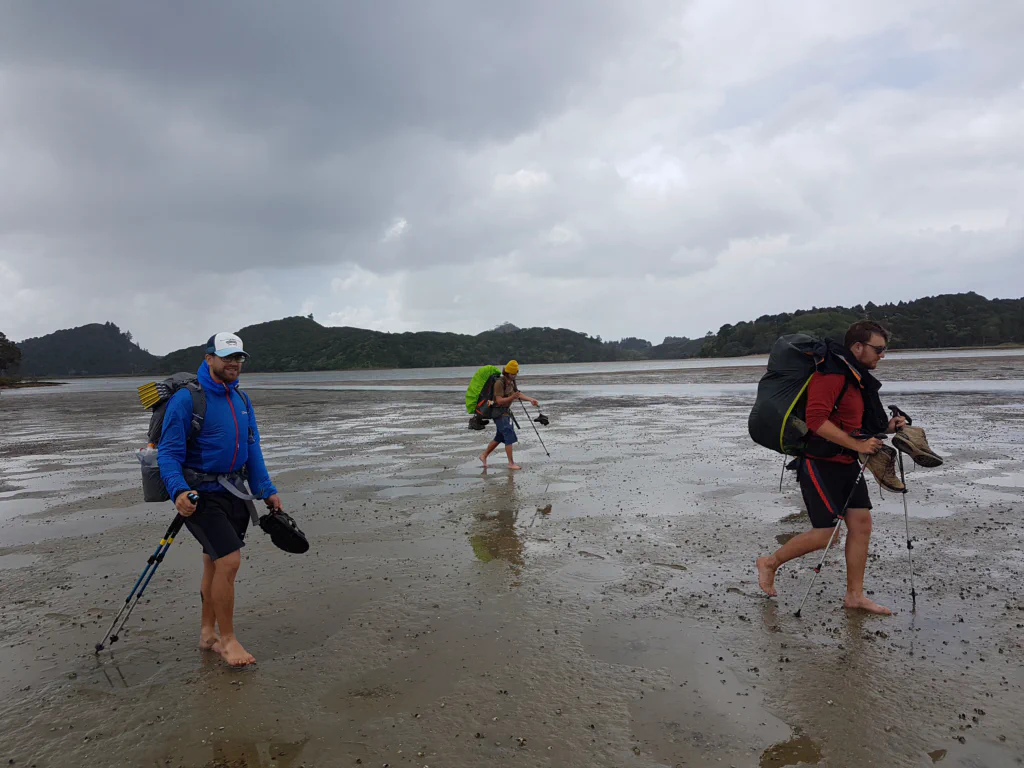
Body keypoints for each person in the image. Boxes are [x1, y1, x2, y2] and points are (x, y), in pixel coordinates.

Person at [756, 321, 907, 615]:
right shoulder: (831, 375)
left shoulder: (856, 378)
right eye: (878, 349)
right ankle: (769, 562)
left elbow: (855, 424)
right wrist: (859, 446)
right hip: (819, 463)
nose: (882, 355)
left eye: (885, 350)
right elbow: (815, 421)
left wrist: (888, 427)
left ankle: (854, 596)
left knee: (861, 526)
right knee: (827, 534)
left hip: (846, 462)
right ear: (858, 346)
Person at [158, 332, 282, 666]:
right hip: (200, 497)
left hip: (235, 493)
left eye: (239, 357)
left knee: (214, 562)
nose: (234, 363)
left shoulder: (241, 399)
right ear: (209, 357)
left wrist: (266, 490)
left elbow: (252, 448)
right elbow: (168, 453)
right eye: (227, 356)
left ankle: (207, 634)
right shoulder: (187, 400)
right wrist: (178, 491)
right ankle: (228, 641)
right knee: (229, 560)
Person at [478, 360, 539, 471]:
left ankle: (484, 455)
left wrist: (531, 400)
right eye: (512, 374)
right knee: (508, 435)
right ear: (506, 373)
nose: (514, 375)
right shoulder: (499, 383)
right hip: (497, 412)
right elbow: (499, 401)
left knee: (500, 436)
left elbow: (518, 394)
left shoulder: (511, 382)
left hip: (506, 412)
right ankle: (511, 463)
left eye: (515, 373)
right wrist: (512, 397)